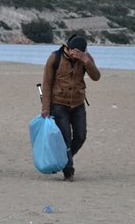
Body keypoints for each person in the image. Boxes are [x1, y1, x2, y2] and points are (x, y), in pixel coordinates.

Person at [40, 35, 100, 182]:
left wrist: (86, 60)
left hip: (78, 103)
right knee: (65, 138)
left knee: (80, 136)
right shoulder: (55, 57)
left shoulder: (85, 58)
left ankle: (63, 158)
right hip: (59, 104)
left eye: (81, 52)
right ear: (69, 48)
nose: (76, 55)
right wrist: (45, 107)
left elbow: (96, 76)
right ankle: (69, 171)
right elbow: (46, 83)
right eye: (75, 52)